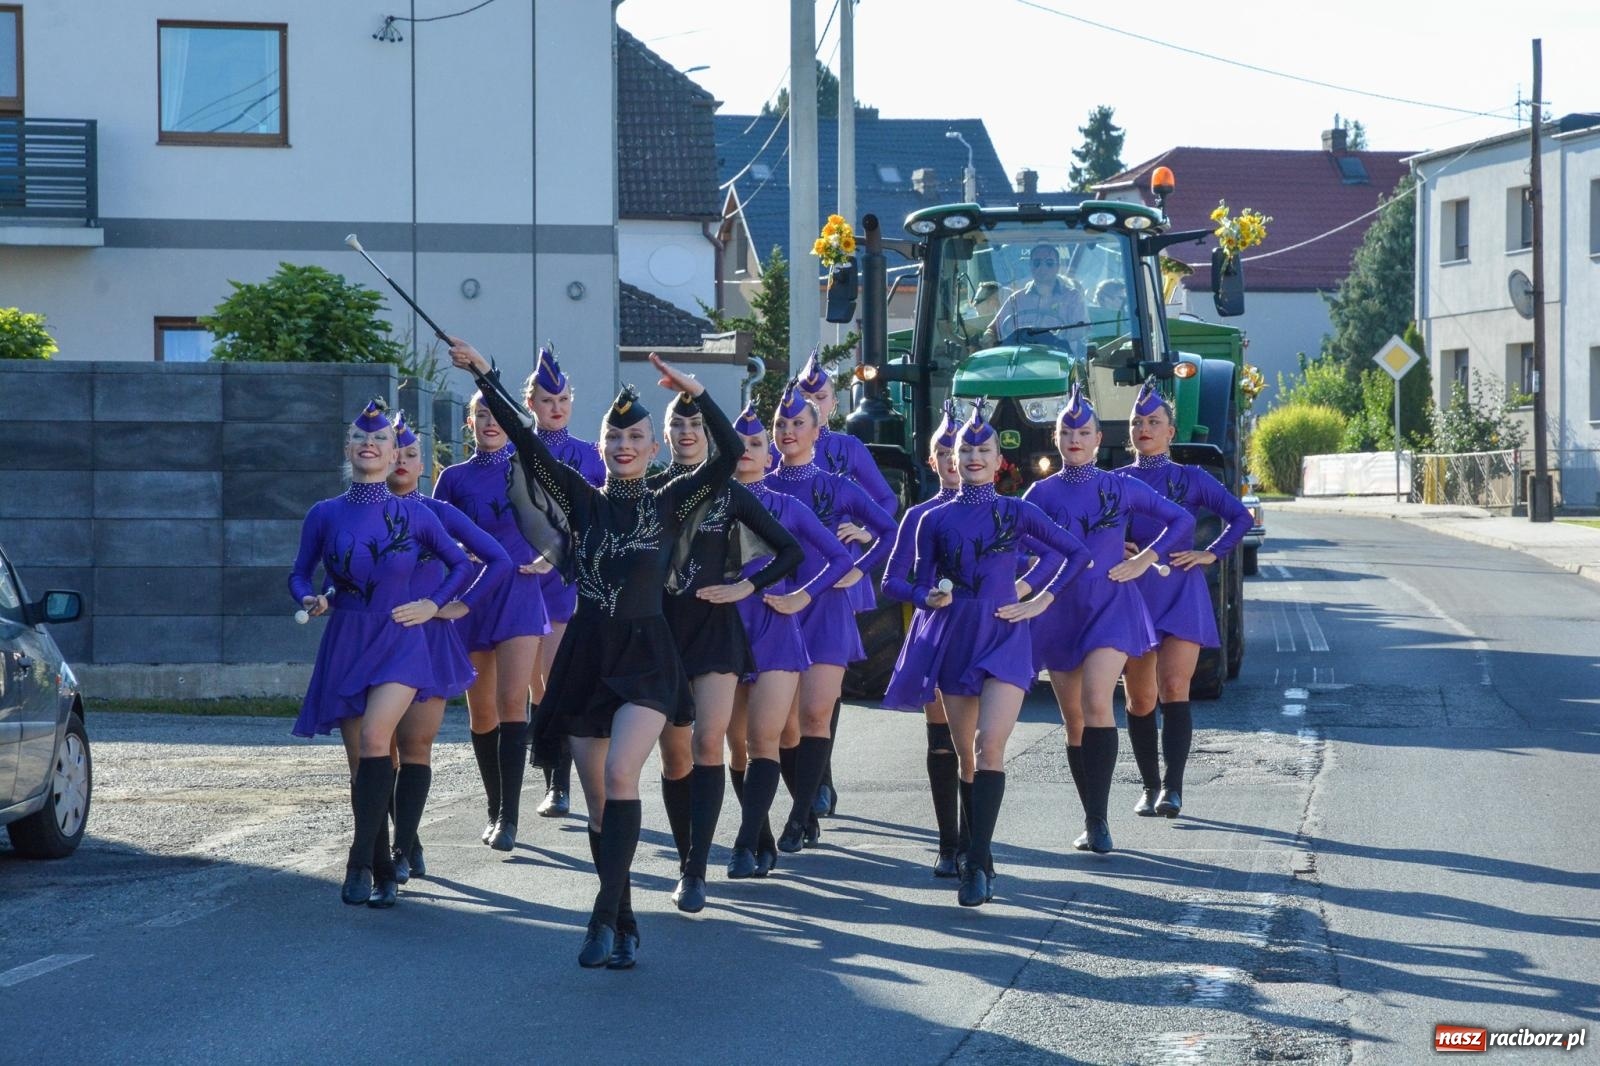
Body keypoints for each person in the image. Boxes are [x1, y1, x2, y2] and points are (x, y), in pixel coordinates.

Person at [450, 337, 739, 972]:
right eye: (614, 439)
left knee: (619, 777)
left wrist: (697, 394)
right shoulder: (583, 498)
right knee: (601, 803)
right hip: (586, 654)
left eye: (636, 438)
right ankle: (627, 918)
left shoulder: (673, 499)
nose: (625, 447)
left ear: (654, 448)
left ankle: (601, 919)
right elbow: (526, 442)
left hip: (647, 657)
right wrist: (483, 369)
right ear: (602, 447)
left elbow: (733, 455)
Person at [885, 400, 1088, 906]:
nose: (973, 455)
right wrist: (924, 597)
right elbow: (896, 580)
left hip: (1005, 637)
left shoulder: (1018, 510)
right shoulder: (932, 519)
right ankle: (978, 851)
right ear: (951, 455)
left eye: (984, 448)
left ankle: (975, 865)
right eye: (965, 447)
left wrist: (1036, 594)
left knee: (988, 747)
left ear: (1000, 461)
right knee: (965, 759)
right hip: (953, 638)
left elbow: (1074, 553)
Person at [289, 399, 475, 907]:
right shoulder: (324, 513)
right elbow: (300, 572)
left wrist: (434, 605)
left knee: (377, 737)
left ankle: (357, 862)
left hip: (400, 639)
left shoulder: (415, 513)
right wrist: (308, 596)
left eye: (380, 439)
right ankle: (383, 870)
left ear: (395, 453)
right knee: (361, 764)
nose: (368, 443)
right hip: (347, 636)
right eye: (358, 437)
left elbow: (462, 565)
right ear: (348, 448)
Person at [1021, 388, 1193, 855]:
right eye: (1066, 431)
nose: (1074, 438)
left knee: (1098, 700)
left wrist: (1145, 560)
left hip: (1111, 607)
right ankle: (1092, 816)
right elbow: (1018, 548)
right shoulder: (1039, 493)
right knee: (1073, 720)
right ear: (1054, 438)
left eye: (1083, 432)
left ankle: (1101, 826)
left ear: (1099, 439)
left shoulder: (1119, 486)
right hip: (1059, 611)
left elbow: (1180, 521)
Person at [650, 392, 803, 913]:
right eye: (678, 423)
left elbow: (790, 549)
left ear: (709, 434)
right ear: (665, 434)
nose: (688, 431)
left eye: (696, 423)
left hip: (717, 632)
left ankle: (695, 874)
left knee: (708, 742)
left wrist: (747, 587)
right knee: (674, 758)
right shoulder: (647, 492)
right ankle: (684, 855)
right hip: (662, 634)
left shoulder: (731, 493)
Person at [764, 381, 896, 853]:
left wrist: (858, 565)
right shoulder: (763, 484)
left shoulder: (837, 484)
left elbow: (889, 530)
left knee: (817, 713)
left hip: (827, 607)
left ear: (818, 430)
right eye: (781, 423)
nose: (788, 431)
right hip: (777, 609)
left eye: (799, 423)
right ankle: (804, 806)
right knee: (784, 725)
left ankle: (800, 819)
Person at [723, 401, 853, 879]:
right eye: (737, 445)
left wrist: (803, 595)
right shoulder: (710, 503)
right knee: (734, 744)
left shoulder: (788, 506)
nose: (745, 452)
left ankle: (750, 840)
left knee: (767, 738)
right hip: (723, 632)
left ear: (767, 452)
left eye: (755, 444)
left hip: (775, 629)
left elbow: (839, 558)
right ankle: (760, 837)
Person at [384, 414, 513, 883]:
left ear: (423, 465)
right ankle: (408, 839)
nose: (401, 460)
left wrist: (458, 605)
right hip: (374, 642)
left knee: (414, 744)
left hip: (429, 643)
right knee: (382, 753)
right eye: (393, 451)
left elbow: (498, 559)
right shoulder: (353, 512)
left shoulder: (436, 512)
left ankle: (400, 852)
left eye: (411, 453)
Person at [1118, 383, 1253, 819]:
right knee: (1139, 699)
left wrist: (1211, 552)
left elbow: (1241, 516)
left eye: (1153, 422)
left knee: (1175, 687)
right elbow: (1093, 531)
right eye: (1137, 423)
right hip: (1134, 596)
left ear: (1171, 431)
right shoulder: (1116, 482)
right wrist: (1113, 548)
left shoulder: (1192, 478)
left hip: (1182, 594)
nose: (1144, 429)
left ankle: (1172, 789)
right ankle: (1148, 785)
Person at [433, 382, 553, 854]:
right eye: (480, 415)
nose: (489, 423)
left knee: (512, 704)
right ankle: (493, 803)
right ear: (470, 423)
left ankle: (510, 817)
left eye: (496, 415)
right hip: (473, 596)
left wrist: (548, 556)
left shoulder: (531, 467)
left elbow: (562, 520)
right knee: (481, 711)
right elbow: (436, 536)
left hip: (521, 591)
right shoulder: (454, 479)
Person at [791, 349, 900, 818]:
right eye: (805, 392)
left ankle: (822, 777)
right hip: (788, 571)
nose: (814, 399)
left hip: (836, 573)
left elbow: (885, 498)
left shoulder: (849, 449)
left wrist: (865, 531)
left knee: (827, 678)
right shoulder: (780, 447)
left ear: (835, 402)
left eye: (822, 394)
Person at [879, 400, 964, 877]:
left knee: (978, 743)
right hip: (935, 632)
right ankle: (948, 842)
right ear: (932, 461)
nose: (954, 458)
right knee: (942, 739)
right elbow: (891, 583)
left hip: (984, 634)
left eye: (961, 448)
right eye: (944, 450)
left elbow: (1023, 564)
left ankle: (975, 841)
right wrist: (924, 595)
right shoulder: (918, 516)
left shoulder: (1002, 511)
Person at [522, 346, 607, 821]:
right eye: (546, 400)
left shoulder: (589, 457)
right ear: (530, 403)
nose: (556, 408)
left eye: (564, 400)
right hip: (516, 581)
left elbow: (601, 519)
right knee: (529, 690)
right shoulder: (515, 451)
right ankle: (524, 789)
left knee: (556, 683)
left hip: (565, 580)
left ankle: (560, 786)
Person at [983, 243, 1087, 352]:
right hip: (1019, 359)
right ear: (1030, 266)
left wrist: (1057, 334)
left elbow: (1082, 329)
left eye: (1049, 263)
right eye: (1037, 263)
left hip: (1060, 359)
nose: (1042, 268)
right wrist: (989, 337)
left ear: (1057, 266)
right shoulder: (1016, 299)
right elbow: (993, 329)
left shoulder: (1073, 297)